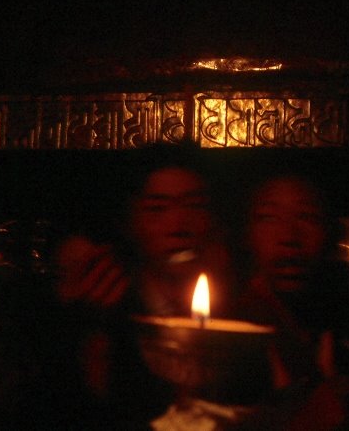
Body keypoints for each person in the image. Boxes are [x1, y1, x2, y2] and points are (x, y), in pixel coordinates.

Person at [51, 141, 237, 429]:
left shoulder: (238, 310)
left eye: (194, 205)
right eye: (157, 209)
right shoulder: (109, 308)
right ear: (130, 222)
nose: (178, 226)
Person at [226, 170, 349, 431]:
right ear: (245, 233)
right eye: (268, 218)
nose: (289, 237)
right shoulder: (225, 330)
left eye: (306, 217)